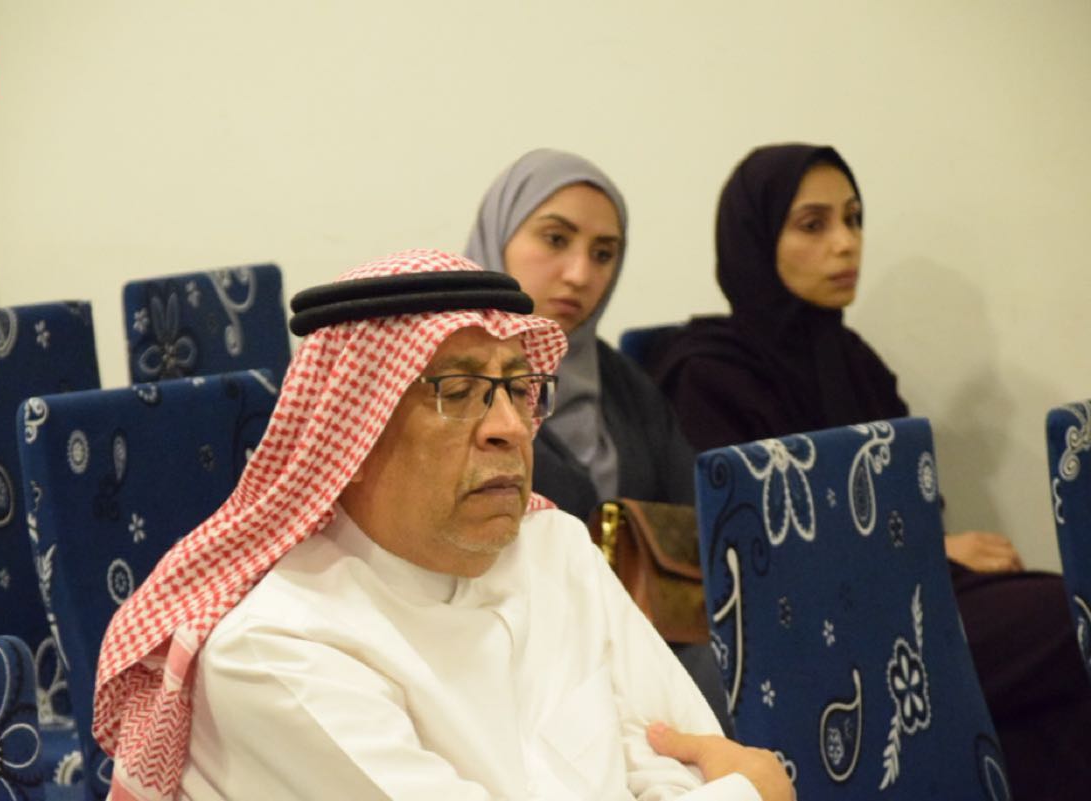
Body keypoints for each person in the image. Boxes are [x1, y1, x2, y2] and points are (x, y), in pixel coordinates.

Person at [92, 250, 792, 800]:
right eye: (457, 392)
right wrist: (747, 794)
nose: (510, 427)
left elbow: (686, 754)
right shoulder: (273, 652)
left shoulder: (556, 549)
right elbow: (733, 782)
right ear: (353, 436)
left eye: (519, 388)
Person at [645, 143, 1091, 799]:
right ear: (755, 238)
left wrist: (930, 549)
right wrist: (937, 550)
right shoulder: (709, 373)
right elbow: (752, 548)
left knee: (1058, 667)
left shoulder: (851, 357)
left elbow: (912, 498)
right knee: (1066, 622)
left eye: (854, 219)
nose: (846, 243)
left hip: (903, 591)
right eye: (814, 224)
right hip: (810, 626)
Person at [464, 149, 731, 735]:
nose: (580, 274)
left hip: (641, 644)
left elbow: (694, 517)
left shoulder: (622, 384)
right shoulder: (450, 389)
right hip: (503, 659)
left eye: (604, 253)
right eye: (555, 240)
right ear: (499, 237)